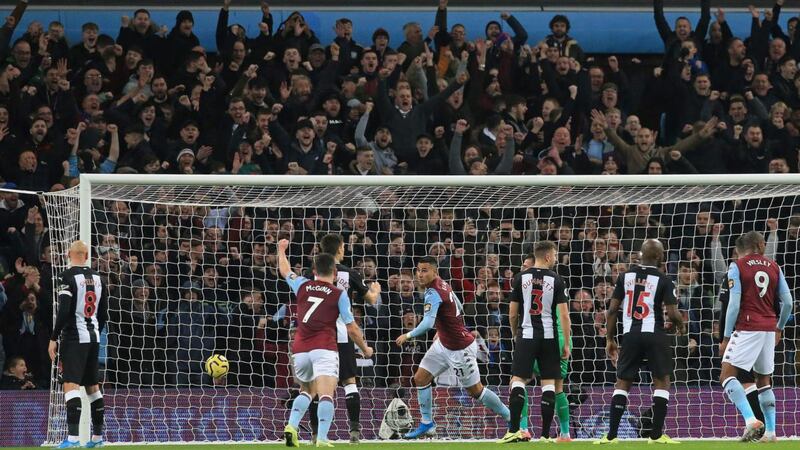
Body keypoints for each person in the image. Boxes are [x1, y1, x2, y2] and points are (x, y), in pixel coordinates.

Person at [395, 256, 509, 439]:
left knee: (476, 391)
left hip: (460, 349)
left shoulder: (433, 292)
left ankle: (510, 416)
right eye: (418, 270)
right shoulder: (443, 284)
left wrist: (407, 335)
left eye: (425, 270)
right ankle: (427, 423)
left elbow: (426, 323)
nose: (420, 274)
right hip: (443, 344)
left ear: (434, 272)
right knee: (420, 378)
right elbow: (459, 308)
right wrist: (444, 329)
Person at [279, 239, 373, 448]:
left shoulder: (302, 284)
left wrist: (281, 250)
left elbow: (285, 270)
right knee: (326, 394)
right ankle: (321, 438)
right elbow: (352, 328)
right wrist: (366, 349)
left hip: (300, 349)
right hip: (325, 348)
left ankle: (292, 426)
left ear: (314, 270)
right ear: (335, 272)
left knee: (306, 390)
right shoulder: (339, 294)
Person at [595, 239, 683, 444]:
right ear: (660, 257)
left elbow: (612, 310)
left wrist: (610, 339)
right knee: (662, 381)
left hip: (630, 335)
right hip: (655, 334)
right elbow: (672, 313)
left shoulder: (625, 276)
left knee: (623, 382)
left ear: (642, 255)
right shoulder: (663, 279)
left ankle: (611, 436)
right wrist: (681, 326)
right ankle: (656, 435)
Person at [719, 231, 793, 442]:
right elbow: (787, 303)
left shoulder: (737, 266)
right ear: (760, 245)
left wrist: (725, 337)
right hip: (769, 328)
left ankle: (751, 420)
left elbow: (733, 304)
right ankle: (770, 433)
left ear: (738, 250)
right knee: (763, 381)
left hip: (748, 326)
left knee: (726, 376)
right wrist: (779, 327)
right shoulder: (774, 267)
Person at [309, 234, 382, 443]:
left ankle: (315, 434)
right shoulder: (349, 273)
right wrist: (375, 290)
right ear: (340, 249)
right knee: (349, 382)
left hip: (316, 335)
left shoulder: (311, 273)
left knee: (316, 385)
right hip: (342, 332)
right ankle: (354, 432)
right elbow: (370, 299)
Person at [498, 242, 571, 443]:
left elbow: (512, 313)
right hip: (550, 337)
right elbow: (564, 315)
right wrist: (565, 344)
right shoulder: (557, 279)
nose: (555, 258)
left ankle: (515, 430)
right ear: (547, 257)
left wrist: (515, 333)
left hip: (527, 335)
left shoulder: (520, 278)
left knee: (518, 380)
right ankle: (546, 435)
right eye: (554, 255)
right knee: (549, 384)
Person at [49, 240, 107, 448]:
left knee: (71, 385)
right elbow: (104, 313)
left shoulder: (67, 276)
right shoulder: (100, 279)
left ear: (68, 254)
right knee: (93, 388)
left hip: (74, 338)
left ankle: (73, 439)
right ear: (88, 255)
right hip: (94, 338)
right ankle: (97, 439)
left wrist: (54, 337)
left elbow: (64, 311)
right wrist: (94, 334)